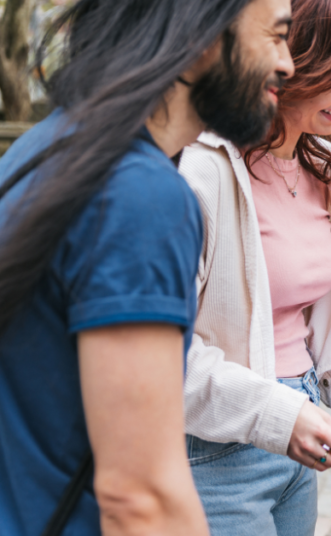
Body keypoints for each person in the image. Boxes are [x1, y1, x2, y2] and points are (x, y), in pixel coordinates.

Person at [0, 0, 294, 534]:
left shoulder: (45, 150)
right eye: (276, 36)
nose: (287, 63)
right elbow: (141, 498)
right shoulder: (139, 195)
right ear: (202, 32)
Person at [176, 0, 331, 534]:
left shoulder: (316, 170)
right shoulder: (203, 173)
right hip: (217, 451)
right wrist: (278, 416)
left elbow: (316, 319)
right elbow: (164, 353)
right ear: (291, 65)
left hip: (297, 435)